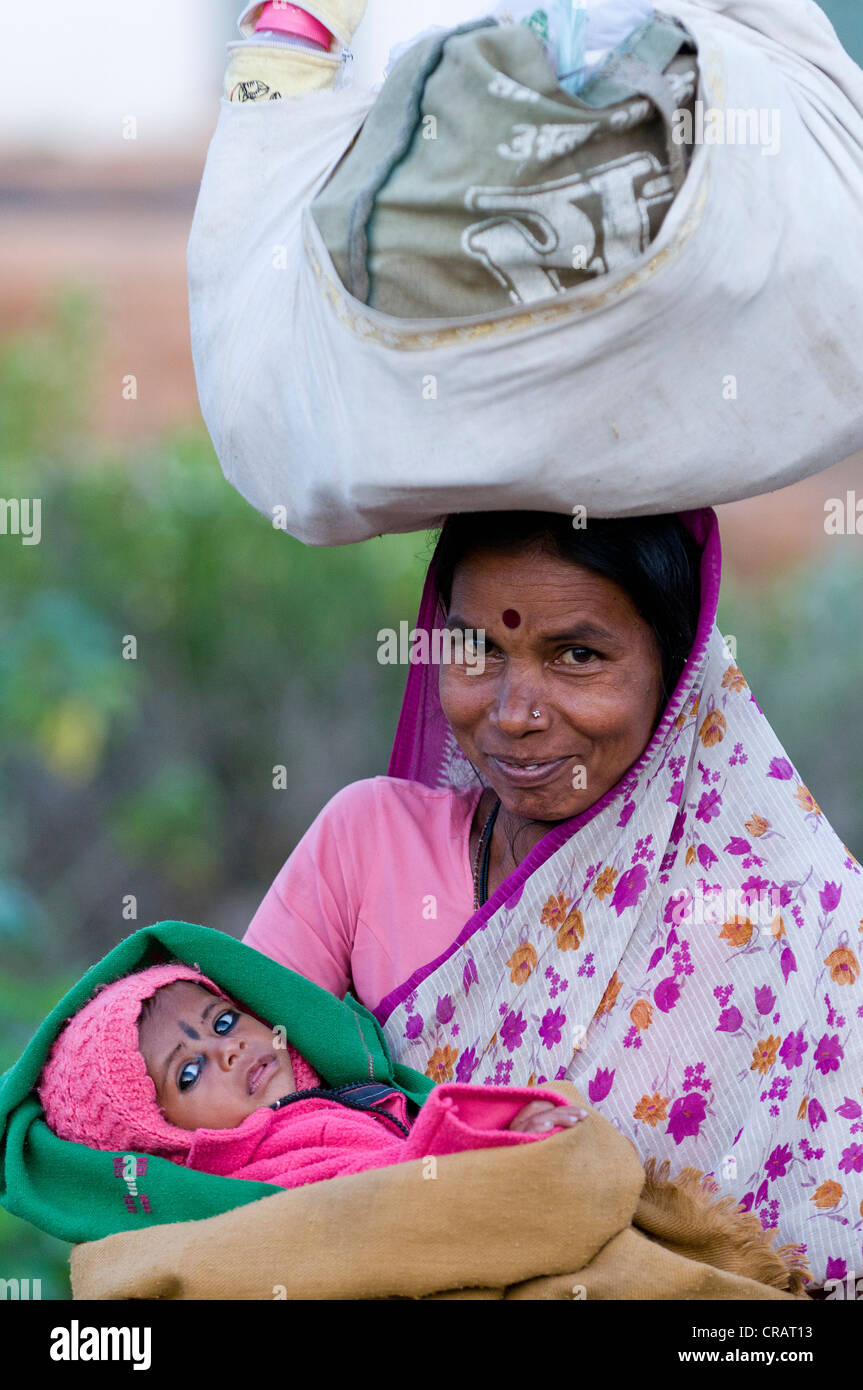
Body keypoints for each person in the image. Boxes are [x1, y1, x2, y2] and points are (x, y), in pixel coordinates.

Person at [245, 506, 863, 1290]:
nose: (512, 714)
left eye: (576, 655)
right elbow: (214, 1109)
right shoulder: (366, 844)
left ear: (675, 673)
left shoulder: (789, 919)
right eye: (478, 649)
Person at [36, 960, 584, 1192]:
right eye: (188, 1072)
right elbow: (384, 1193)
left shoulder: (322, 1102)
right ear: (162, 1139)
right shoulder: (280, 1155)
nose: (228, 1051)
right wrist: (499, 1135)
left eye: (223, 1020)